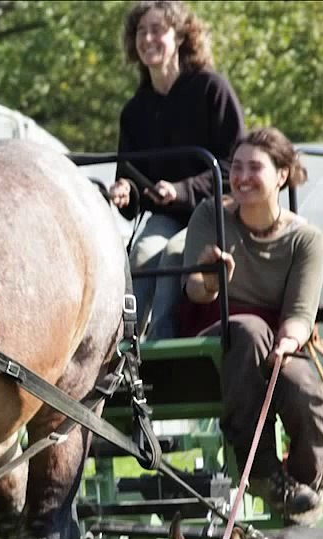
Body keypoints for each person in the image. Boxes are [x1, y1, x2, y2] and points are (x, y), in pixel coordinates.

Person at [179, 127, 323, 526]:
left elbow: (300, 314)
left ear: (282, 175)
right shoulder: (210, 216)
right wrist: (213, 281)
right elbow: (194, 288)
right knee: (247, 330)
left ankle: (303, 492)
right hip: (216, 341)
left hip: (276, 344)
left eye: (255, 167)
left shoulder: (307, 239)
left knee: (304, 390)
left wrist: (288, 343)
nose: (242, 176)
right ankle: (263, 471)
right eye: (237, 167)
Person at [109, 0, 245, 340]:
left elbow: (234, 169)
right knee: (139, 255)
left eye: (158, 30)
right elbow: (130, 185)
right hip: (165, 217)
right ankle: (122, 355)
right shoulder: (134, 111)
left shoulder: (212, 89)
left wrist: (180, 190)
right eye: (141, 31)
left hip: (214, 213)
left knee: (174, 257)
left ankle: (164, 349)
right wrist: (126, 191)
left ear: (181, 36)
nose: (148, 39)